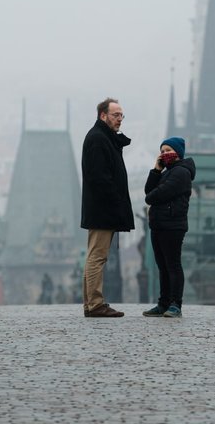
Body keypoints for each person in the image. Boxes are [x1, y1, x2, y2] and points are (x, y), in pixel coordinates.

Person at [80, 98, 134, 318]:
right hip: (103, 210)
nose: (119, 119)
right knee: (97, 256)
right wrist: (115, 202)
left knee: (95, 255)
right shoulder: (97, 139)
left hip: (102, 208)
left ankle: (91, 303)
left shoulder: (104, 138)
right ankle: (95, 303)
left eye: (121, 115)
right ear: (103, 115)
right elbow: (100, 178)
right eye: (115, 115)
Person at [142, 136, 196, 318]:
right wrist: (156, 170)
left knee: (172, 265)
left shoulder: (181, 173)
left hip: (173, 225)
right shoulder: (166, 172)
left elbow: (153, 196)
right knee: (162, 266)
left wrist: (152, 195)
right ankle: (163, 303)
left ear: (178, 153)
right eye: (162, 151)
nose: (164, 154)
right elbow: (148, 190)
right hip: (158, 224)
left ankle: (175, 304)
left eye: (168, 150)